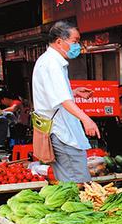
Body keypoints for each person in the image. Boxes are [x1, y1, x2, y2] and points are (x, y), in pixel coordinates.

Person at [32, 21, 99, 183]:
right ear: (59, 41)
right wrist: (86, 119)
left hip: (59, 130)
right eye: (75, 41)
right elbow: (62, 100)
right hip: (63, 132)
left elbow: (54, 95)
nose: (78, 46)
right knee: (79, 183)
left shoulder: (50, 61)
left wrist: (73, 92)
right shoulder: (52, 64)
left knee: (68, 183)